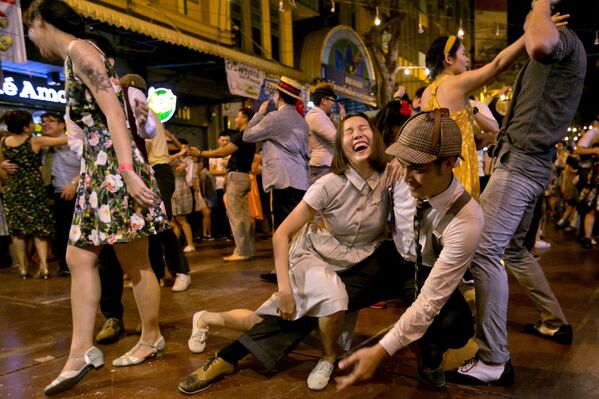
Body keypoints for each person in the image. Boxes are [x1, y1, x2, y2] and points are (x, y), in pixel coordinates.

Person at [180, 112, 390, 394]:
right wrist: (286, 290)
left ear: (375, 137)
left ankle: (206, 317)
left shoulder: (390, 179)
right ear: (340, 146)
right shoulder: (328, 184)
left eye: (364, 128)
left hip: (352, 262)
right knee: (330, 300)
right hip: (313, 257)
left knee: (263, 323)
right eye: (349, 131)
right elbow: (281, 234)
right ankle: (328, 357)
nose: (357, 134)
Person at [24, 1, 170, 395]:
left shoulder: (80, 51)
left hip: (111, 167)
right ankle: (81, 351)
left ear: (39, 21)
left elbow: (114, 116)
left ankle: (149, 337)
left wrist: (125, 172)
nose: (31, 39)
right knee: (80, 257)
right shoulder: (78, 55)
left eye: (30, 30)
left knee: (133, 261)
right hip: (99, 167)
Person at [448, 0, 586, 385]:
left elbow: (540, 43)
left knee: (483, 250)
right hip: (527, 164)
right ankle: (554, 322)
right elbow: (535, 43)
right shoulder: (560, 48)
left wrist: (539, 7)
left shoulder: (564, 43)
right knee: (513, 250)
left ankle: (492, 359)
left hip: (521, 165)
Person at [335, 109, 483, 390]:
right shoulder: (401, 175)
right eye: (402, 163)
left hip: (427, 272)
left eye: (417, 167)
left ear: (449, 163)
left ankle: (429, 355)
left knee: (456, 325)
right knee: (328, 292)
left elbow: (429, 301)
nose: (405, 175)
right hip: (393, 258)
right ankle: (241, 350)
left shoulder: (467, 219)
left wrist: (380, 351)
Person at [421, 22, 536, 200]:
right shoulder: (456, 83)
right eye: (463, 54)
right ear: (449, 59)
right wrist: (528, 35)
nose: (467, 60)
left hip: (437, 173)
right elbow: (497, 65)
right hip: (460, 170)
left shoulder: (426, 94)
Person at [243, 76, 310, 282]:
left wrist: (258, 114)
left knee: (282, 228)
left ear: (278, 96)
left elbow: (247, 135)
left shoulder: (274, 118)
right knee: (295, 228)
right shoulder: (301, 120)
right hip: (300, 178)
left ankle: (284, 274)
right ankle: (289, 270)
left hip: (284, 179)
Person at [0, 110, 68, 279]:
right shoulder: (35, 141)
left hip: (13, 188)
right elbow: (66, 139)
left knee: (17, 231)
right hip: (34, 188)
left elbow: (0, 162)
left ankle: (23, 269)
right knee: (40, 229)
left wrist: (3, 164)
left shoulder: (3, 142)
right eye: (31, 122)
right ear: (25, 127)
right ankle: (44, 267)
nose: (34, 125)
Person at [191, 109, 257, 262]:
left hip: (238, 176)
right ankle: (248, 249)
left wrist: (200, 152)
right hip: (244, 175)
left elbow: (222, 152)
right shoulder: (250, 135)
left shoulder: (242, 135)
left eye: (238, 116)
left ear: (245, 118)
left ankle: (241, 251)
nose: (236, 119)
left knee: (236, 217)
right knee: (244, 216)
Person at [305, 82, 345, 184]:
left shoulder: (322, 116)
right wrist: (343, 119)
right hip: (321, 168)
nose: (333, 104)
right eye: (332, 100)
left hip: (324, 166)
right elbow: (337, 140)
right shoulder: (316, 116)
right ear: (324, 100)